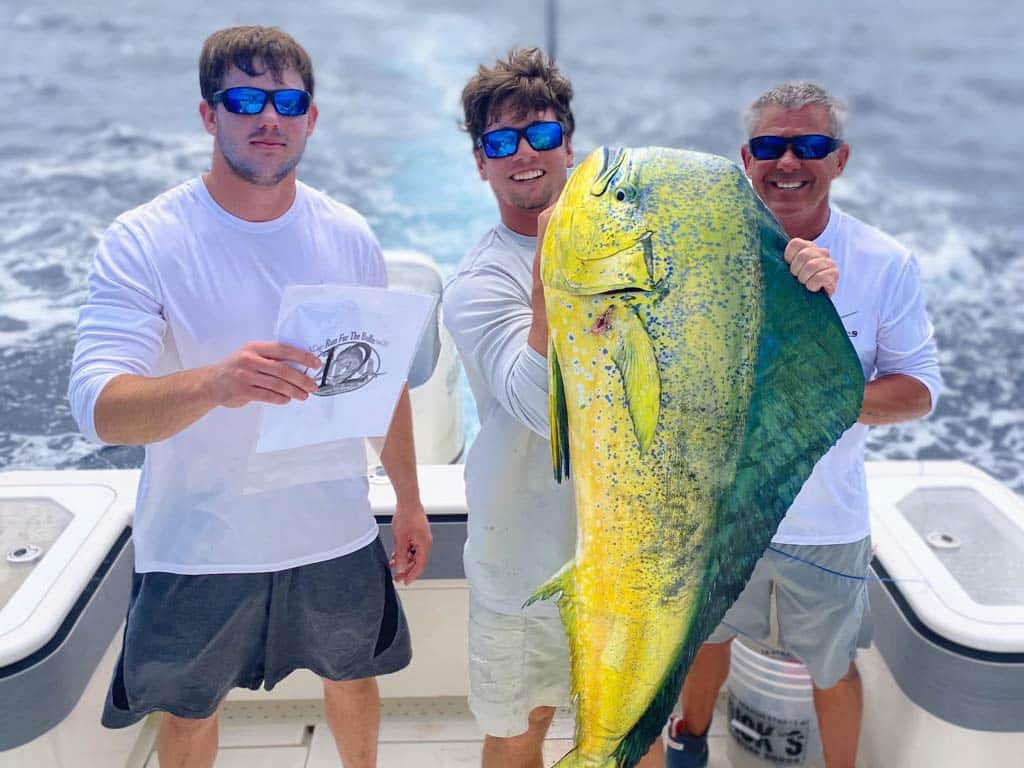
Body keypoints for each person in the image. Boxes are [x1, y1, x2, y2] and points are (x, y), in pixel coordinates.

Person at [67, 26, 431, 768]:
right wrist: (214, 382)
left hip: (333, 527)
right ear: (210, 114)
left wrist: (410, 499)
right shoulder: (144, 240)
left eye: (288, 101)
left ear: (311, 118)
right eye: (245, 98)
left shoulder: (350, 235)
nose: (269, 117)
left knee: (354, 678)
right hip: (198, 541)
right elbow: (98, 405)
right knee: (190, 714)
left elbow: (379, 378)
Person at [663, 82, 942, 768]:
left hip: (828, 525)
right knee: (705, 643)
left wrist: (816, 384)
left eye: (811, 145)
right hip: (724, 514)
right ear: (745, 158)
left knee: (833, 669)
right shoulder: (703, 258)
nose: (789, 161)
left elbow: (917, 393)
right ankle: (688, 743)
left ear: (839, 159)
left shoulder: (884, 264)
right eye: (770, 146)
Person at [442, 48, 578, 768]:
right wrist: (549, 278)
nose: (523, 153)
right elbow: (534, 403)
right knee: (520, 732)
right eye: (501, 142)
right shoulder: (477, 283)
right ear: (481, 163)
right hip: (525, 558)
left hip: (627, 554)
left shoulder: (632, 252)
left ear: (569, 146)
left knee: (635, 732)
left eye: (541, 134)